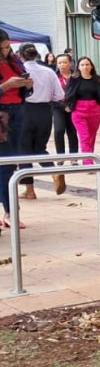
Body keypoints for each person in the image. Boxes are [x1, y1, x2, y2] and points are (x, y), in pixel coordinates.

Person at [17, 45, 60, 200]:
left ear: (20, 55)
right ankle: (53, 170)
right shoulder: (49, 71)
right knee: (40, 148)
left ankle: (29, 189)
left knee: (24, 151)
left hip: (25, 111)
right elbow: (59, 94)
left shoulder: (20, 72)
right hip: (45, 111)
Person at [0, 30, 33, 229]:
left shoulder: (14, 59)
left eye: (7, 46)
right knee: (6, 165)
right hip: (2, 114)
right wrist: (5, 86)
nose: (6, 51)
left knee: (10, 163)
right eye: (2, 48)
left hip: (18, 111)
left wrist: (27, 84)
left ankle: (9, 212)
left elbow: (26, 91)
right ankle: (10, 211)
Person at [64, 57, 100, 168]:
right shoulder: (74, 79)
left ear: (91, 66)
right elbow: (68, 94)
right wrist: (68, 106)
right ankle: (88, 163)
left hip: (94, 111)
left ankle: (89, 157)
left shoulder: (96, 79)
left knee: (92, 138)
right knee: (84, 137)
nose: (85, 67)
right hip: (79, 111)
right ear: (78, 67)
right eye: (82, 65)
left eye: (87, 64)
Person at [50, 54, 77, 192]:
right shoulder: (54, 77)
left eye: (64, 62)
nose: (61, 65)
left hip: (73, 108)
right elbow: (51, 95)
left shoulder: (76, 77)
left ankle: (73, 157)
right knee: (59, 130)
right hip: (58, 107)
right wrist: (63, 106)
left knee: (72, 131)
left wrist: (71, 106)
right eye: (59, 62)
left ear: (70, 63)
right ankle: (60, 157)